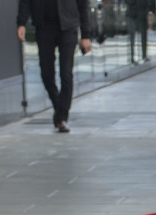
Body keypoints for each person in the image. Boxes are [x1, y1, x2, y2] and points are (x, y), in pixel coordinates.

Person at [17, 0, 93, 133]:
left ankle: (62, 118)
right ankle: (59, 108)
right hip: (44, 26)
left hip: (68, 26)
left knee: (66, 74)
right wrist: (22, 22)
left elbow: (83, 3)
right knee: (46, 74)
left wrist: (85, 34)